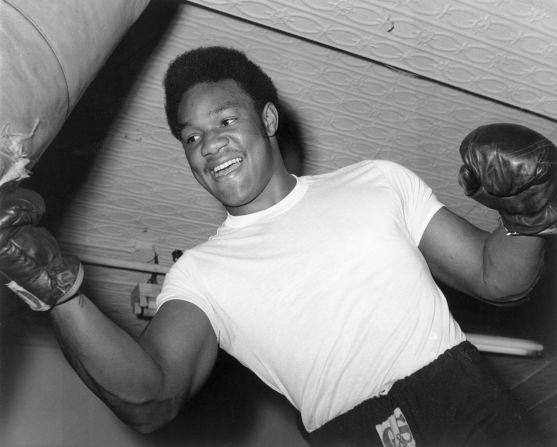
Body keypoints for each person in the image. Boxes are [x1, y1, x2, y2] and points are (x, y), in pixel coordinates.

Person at [0, 46, 555, 447]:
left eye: (224, 119)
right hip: (352, 435)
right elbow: (152, 398)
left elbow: (497, 278)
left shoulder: (377, 181)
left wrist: (525, 212)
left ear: (267, 119)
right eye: (190, 137)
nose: (208, 144)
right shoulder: (201, 274)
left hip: (464, 399)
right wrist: (62, 295)